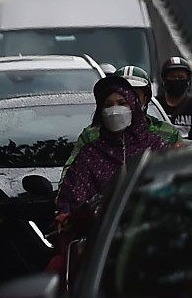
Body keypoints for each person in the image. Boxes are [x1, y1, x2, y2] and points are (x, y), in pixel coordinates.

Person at [57, 74, 179, 240]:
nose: (114, 110)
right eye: (108, 105)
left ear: (134, 107)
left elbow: (174, 189)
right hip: (101, 239)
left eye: (122, 104)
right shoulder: (90, 154)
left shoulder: (155, 147)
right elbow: (72, 198)